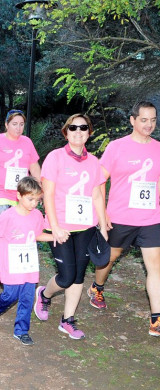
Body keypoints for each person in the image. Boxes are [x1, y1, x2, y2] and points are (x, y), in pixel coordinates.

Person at [87, 101, 160, 337]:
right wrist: (103, 214)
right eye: (144, 120)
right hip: (120, 216)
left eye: (153, 120)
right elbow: (98, 181)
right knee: (109, 257)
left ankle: (156, 319)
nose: (149, 124)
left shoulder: (158, 148)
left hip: (150, 217)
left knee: (155, 267)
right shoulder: (117, 147)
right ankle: (97, 287)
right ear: (132, 120)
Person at [33, 114, 107, 339]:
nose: (78, 131)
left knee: (78, 276)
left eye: (83, 127)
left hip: (86, 227)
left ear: (89, 132)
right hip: (61, 227)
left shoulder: (94, 162)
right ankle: (45, 295)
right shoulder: (54, 158)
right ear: (66, 132)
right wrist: (54, 226)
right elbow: (49, 193)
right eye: (73, 127)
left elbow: (96, 195)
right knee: (66, 277)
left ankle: (67, 320)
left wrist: (103, 226)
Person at [0, 177, 53, 346]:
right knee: (10, 295)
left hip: (29, 266)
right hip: (10, 265)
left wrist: (54, 237)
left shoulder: (37, 215)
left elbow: (36, 235)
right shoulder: (9, 216)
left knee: (27, 298)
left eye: (37, 200)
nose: (34, 204)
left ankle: (21, 330)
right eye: (30, 199)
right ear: (19, 196)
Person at [0, 109, 41, 282]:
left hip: (21, 194)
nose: (18, 128)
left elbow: (34, 168)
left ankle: (6, 260)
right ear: (6, 124)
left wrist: (40, 192)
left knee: (15, 230)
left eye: (21, 124)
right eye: (14, 124)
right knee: (4, 224)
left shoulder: (27, 143)